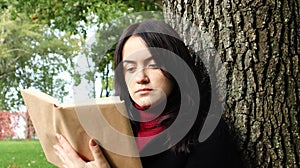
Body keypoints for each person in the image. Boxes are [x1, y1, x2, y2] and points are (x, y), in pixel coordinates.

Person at [54, 20, 243, 168]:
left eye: (153, 64)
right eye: (130, 68)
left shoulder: (205, 132)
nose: (140, 78)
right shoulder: (110, 131)